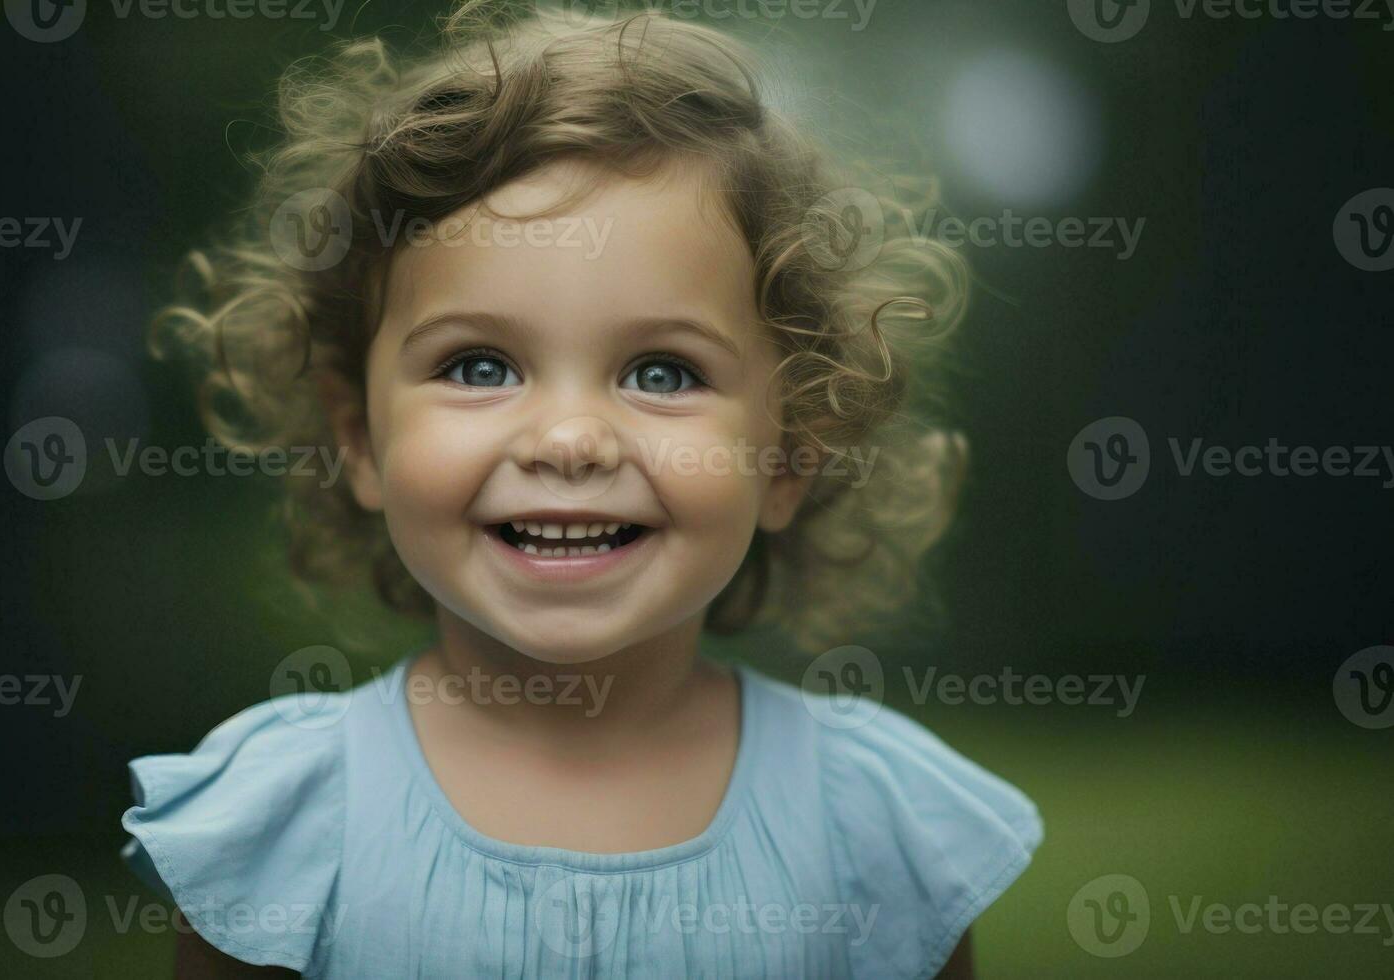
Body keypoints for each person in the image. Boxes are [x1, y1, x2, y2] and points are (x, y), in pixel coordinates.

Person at [123, 2, 1040, 975]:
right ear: (358, 438)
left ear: (789, 456)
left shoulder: (875, 831)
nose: (568, 439)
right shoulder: (286, 824)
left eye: (661, 372)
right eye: (479, 366)